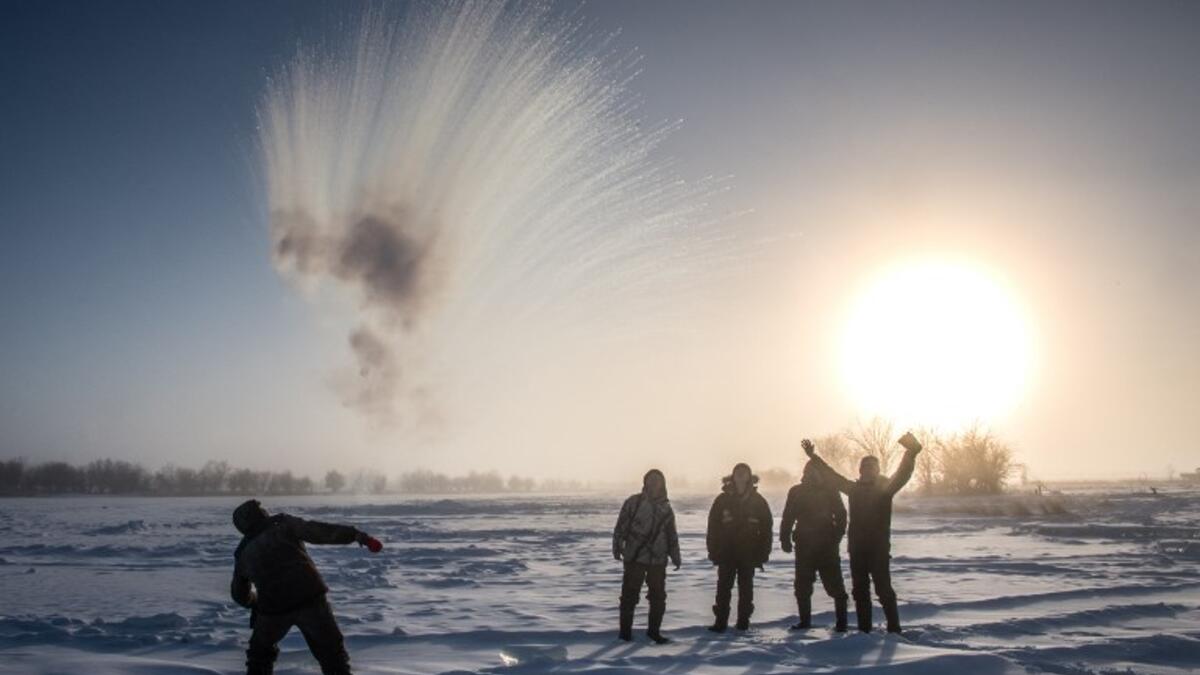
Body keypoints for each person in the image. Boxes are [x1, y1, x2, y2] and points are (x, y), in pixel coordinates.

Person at [230, 499, 383, 675]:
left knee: (259, 657)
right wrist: (354, 535)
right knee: (333, 657)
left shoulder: (243, 553)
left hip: (273, 610)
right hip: (310, 599)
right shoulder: (283, 524)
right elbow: (318, 531)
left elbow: (239, 594)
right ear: (260, 514)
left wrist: (255, 602)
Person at [803, 433, 922, 633]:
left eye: (872, 467)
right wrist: (813, 457)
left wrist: (910, 453)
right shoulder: (854, 489)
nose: (868, 470)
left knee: (883, 589)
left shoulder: (885, 489)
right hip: (857, 549)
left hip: (878, 550)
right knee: (859, 592)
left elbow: (903, 473)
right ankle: (864, 631)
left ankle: (894, 629)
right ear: (860, 470)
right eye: (865, 467)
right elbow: (832, 476)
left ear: (877, 470)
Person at [612, 469, 682, 644]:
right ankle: (625, 633)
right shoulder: (633, 503)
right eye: (651, 479)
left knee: (658, 598)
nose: (654, 483)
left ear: (663, 484)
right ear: (645, 482)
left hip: (658, 560)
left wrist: (675, 555)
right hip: (635, 558)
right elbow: (620, 527)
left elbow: (671, 535)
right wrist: (617, 546)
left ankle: (654, 632)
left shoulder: (666, 508)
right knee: (629, 596)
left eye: (658, 480)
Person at [779, 459, 849, 632]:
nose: (812, 474)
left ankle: (842, 623)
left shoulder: (830, 490)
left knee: (835, 587)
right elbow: (788, 517)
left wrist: (836, 536)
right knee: (802, 587)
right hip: (804, 546)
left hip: (827, 547)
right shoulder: (796, 491)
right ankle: (805, 622)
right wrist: (784, 539)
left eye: (816, 470)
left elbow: (841, 515)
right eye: (809, 470)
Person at [706, 462, 772, 632]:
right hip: (726, 552)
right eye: (738, 472)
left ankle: (743, 622)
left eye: (744, 472)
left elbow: (767, 529)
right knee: (723, 588)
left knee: (746, 589)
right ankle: (720, 622)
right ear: (733, 476)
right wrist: (713, 550)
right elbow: (713, 527)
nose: (741, 475)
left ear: (750, 477)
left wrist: (763, 553)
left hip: (749, 553)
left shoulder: (758, 501)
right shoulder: (722, 500)